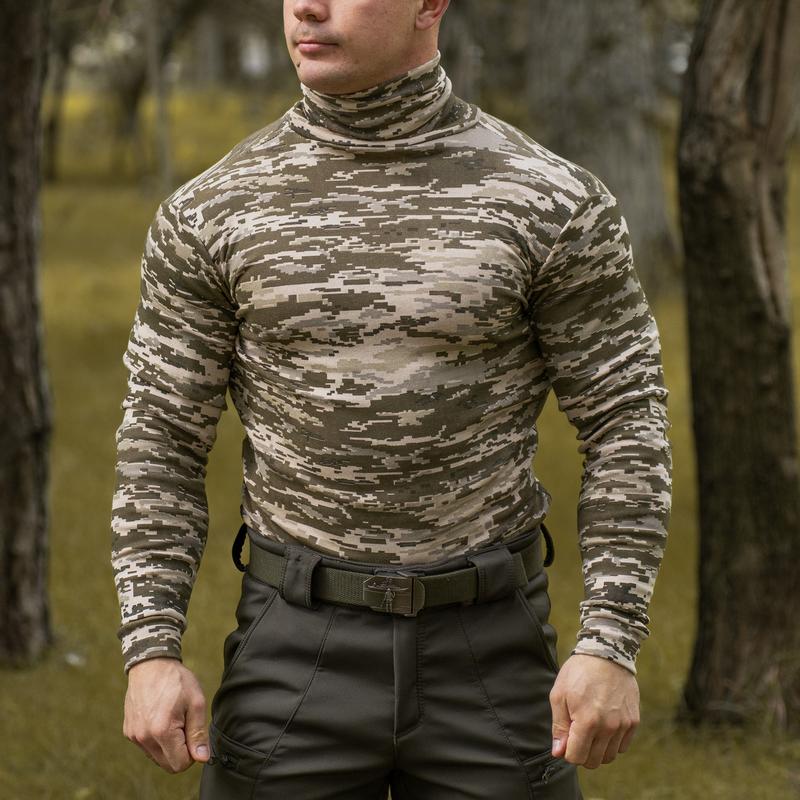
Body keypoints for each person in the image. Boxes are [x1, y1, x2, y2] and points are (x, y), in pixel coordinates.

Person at [111, 0, 673, 797]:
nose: (306, 6)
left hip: (492, 653)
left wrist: (610, 640)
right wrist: (151, 646)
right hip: (293, 650)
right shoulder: (211, 213)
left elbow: (626, 420)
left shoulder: (550, 202)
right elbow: (161, 440)